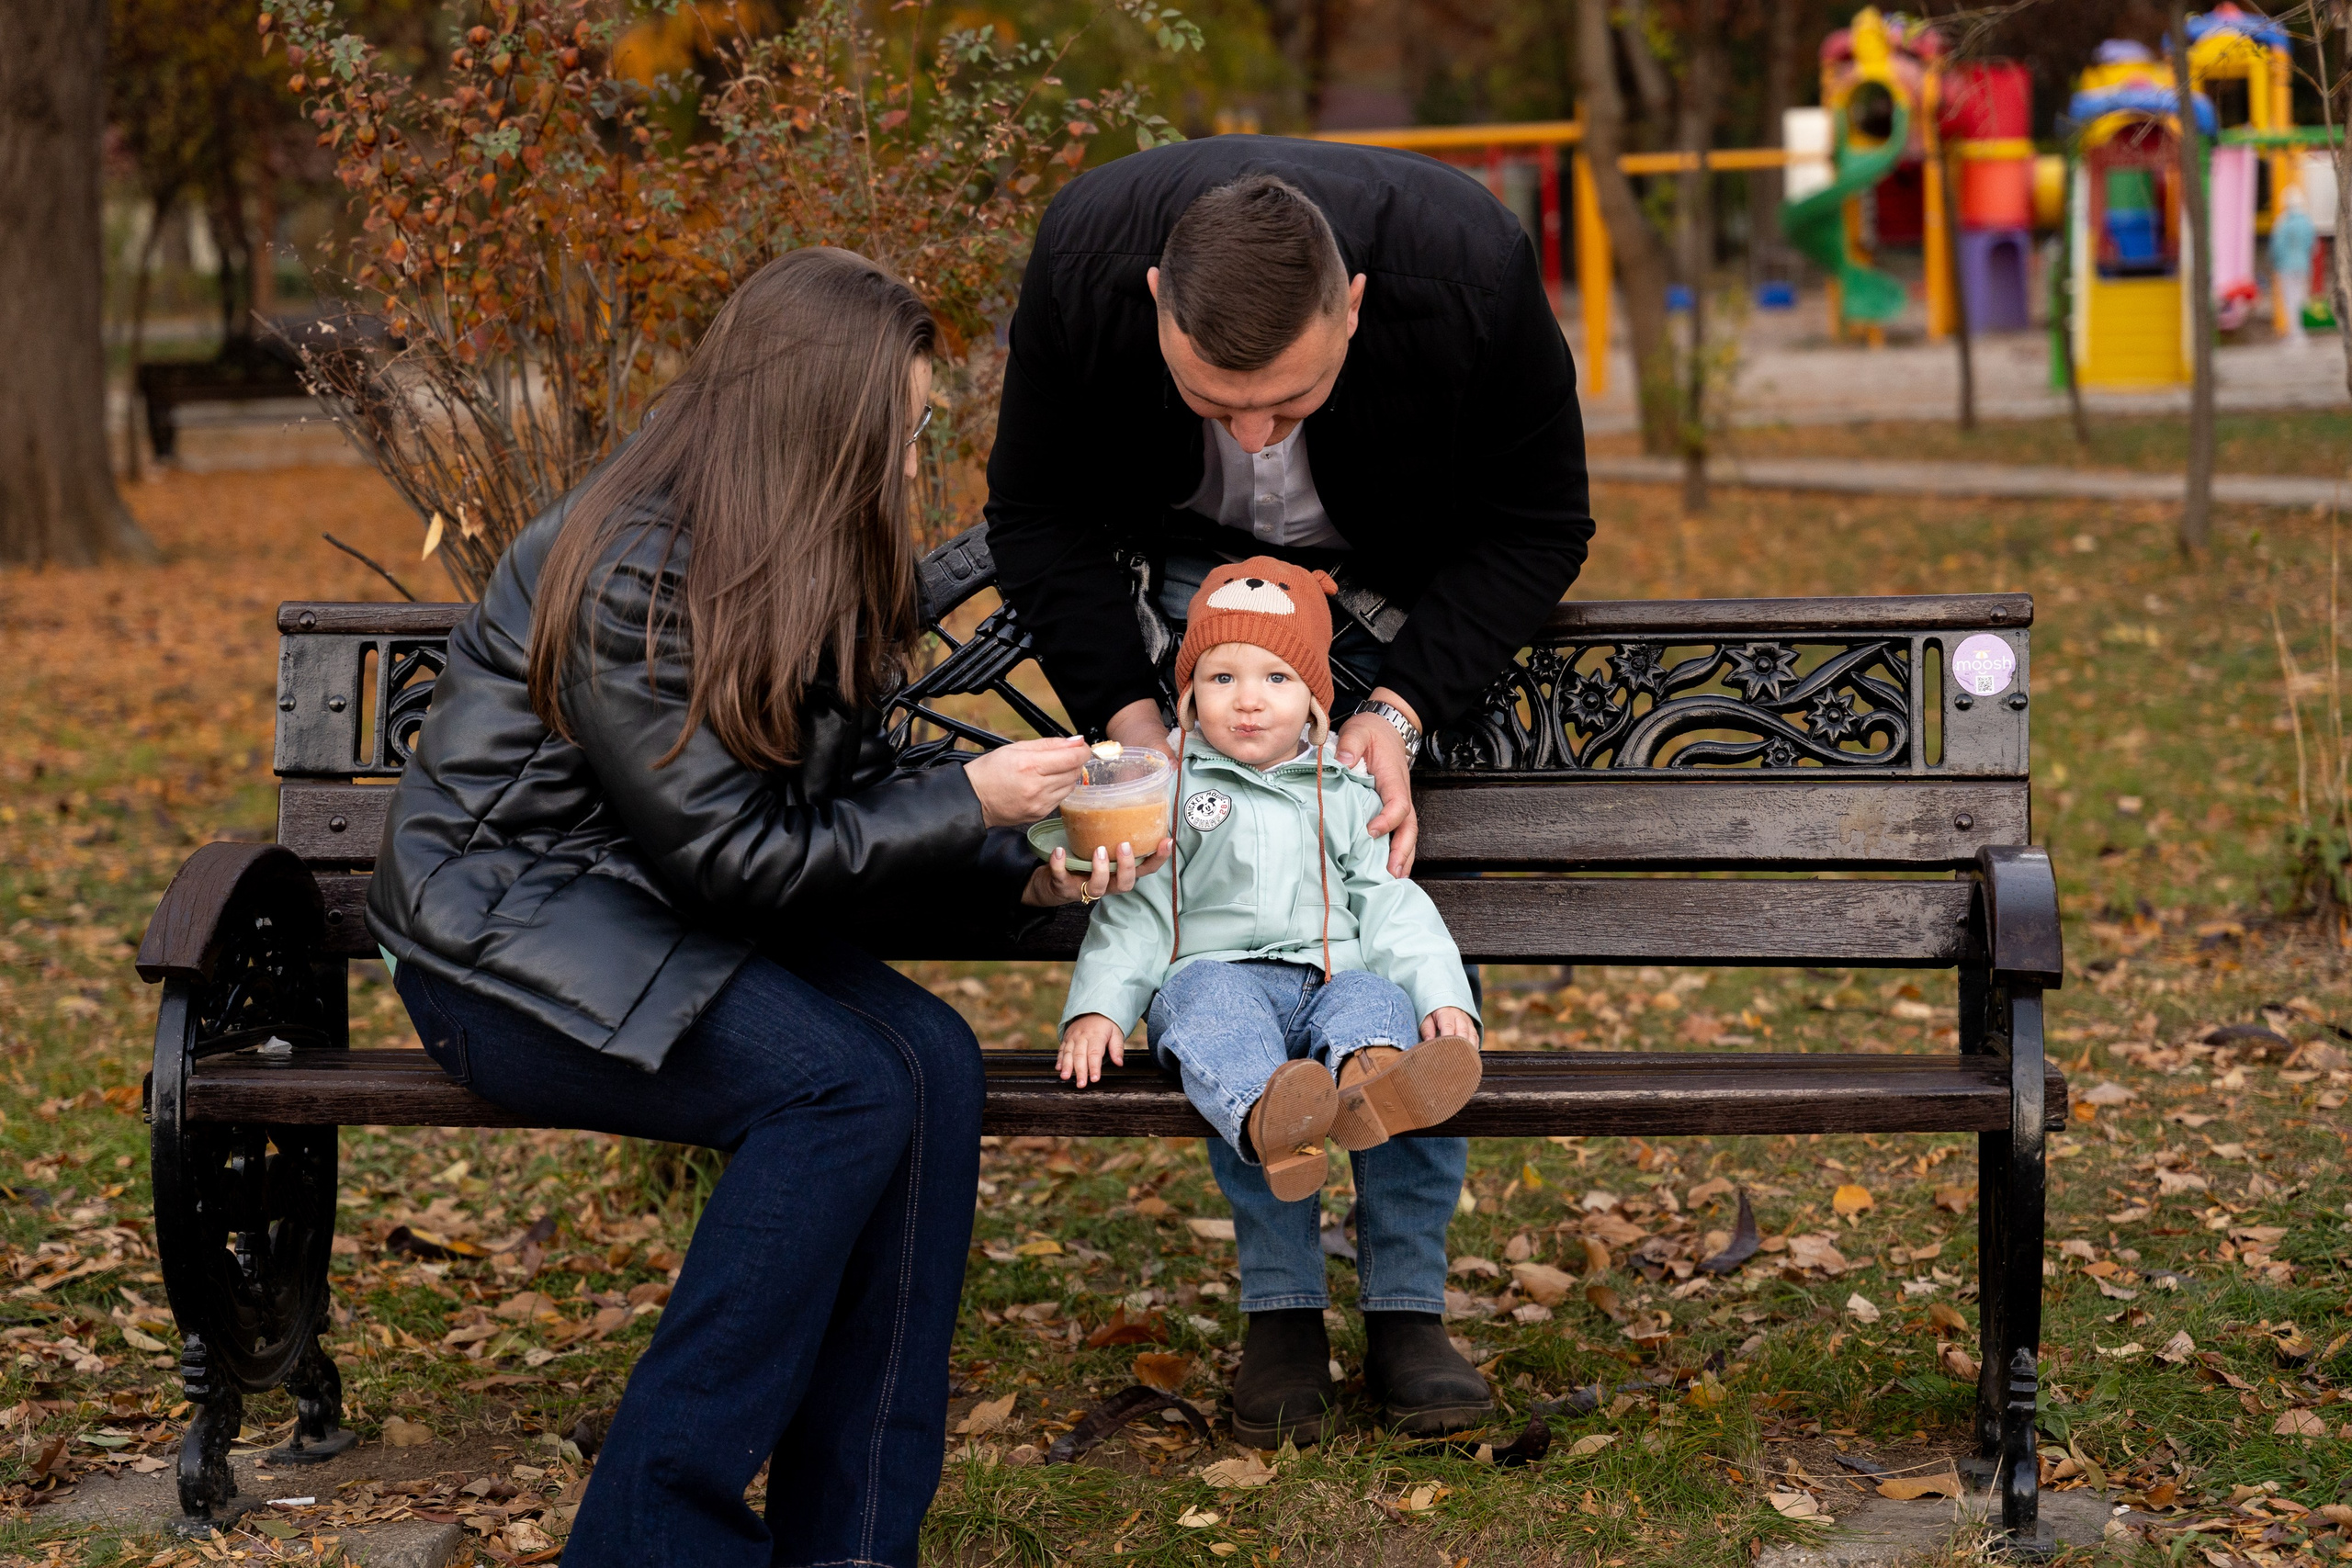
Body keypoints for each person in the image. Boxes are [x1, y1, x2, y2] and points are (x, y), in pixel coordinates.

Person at [366, 248, 1165, 1568]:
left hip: (651, 915)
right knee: (843, 1085)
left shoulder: (782, 543)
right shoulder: (630, 567)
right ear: (823, 419)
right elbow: (736, 856)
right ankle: (648, 1538)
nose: (912, 465)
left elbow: (825, 800)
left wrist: (1014, 858)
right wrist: (973, 794)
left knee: (933, 1061)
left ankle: (851, 1540)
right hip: (504, 945)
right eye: (901, 433)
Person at [986, 136, 1592, 1443]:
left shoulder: (1468, 268)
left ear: (1358, 306)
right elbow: (1033, 514)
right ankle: (1281, 1315)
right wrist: (1134, 716)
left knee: (1396, 974)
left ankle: (1409, 1307)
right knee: (1227, 991)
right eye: (1215, 401)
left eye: (1293, 398)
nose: (1255, 435)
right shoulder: (1084, 260)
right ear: (1152, 300)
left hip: (1397, 615)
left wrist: (1401, 703)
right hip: (1185, 628)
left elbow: (1540, 521)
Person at [1059, 558, 1490, 1445]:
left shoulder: (1345, 790)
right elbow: (1135, 909)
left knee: (1373, 991)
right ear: (1186, 699)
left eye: (1276, 678)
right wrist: (1099, 1005)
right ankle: (1273, 1145)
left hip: (1328, 981)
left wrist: (1443, 995)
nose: (1247, 700)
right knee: (1213, 1008)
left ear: (1318, 701)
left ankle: (1376, 1078)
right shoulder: (1170, 792)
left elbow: (1391, 902)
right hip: (1220, 979)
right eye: (1221, 678)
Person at [2271, 184, 2317, 347]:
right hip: (2303, 266)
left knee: (2290, 300)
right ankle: (2301, 333)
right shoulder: (2306, 222)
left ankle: (2294, 333)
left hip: (2286, 267)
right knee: (2300, 298)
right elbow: (2312, 245)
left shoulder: (2282, 222)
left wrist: (2276, 263)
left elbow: (2277, 247)